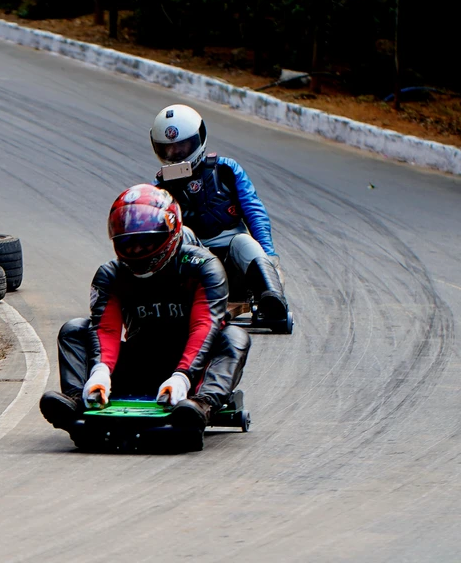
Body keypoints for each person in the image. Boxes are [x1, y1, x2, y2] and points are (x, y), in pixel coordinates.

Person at [39, 184, 250, 433]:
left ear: (170, 234)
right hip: (141, 360)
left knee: (235, 336)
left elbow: (205, 326)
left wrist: (183, 376)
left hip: (193, 369)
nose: (136, 250)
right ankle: (77, 398)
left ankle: (201, 405)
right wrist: (100, 372)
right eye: (128, 242)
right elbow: (105, 328)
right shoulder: (110, 274)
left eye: (146, 241)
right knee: (74, 329)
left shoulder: (203, 267)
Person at [149, 103, 290, 332]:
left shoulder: (226, 170)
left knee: (244, 241)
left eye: (183, 146)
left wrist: (269, 255)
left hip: (234, 266)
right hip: (192, 264)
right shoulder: (158, 188)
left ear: (197, 140)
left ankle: (271, 295)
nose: (176, 154)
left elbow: (255, 212)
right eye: (169, 149)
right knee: (180, 233)